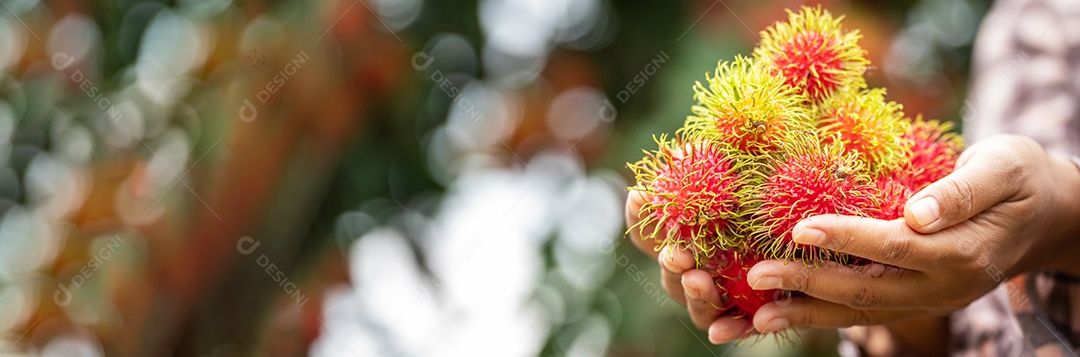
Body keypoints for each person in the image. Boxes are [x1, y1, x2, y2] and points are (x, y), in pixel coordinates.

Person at [625, 0, 1080, 355]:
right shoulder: (1030, 18)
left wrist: (1062, 211)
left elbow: (1020, 220)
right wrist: (897, 300)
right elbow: (984, 329)